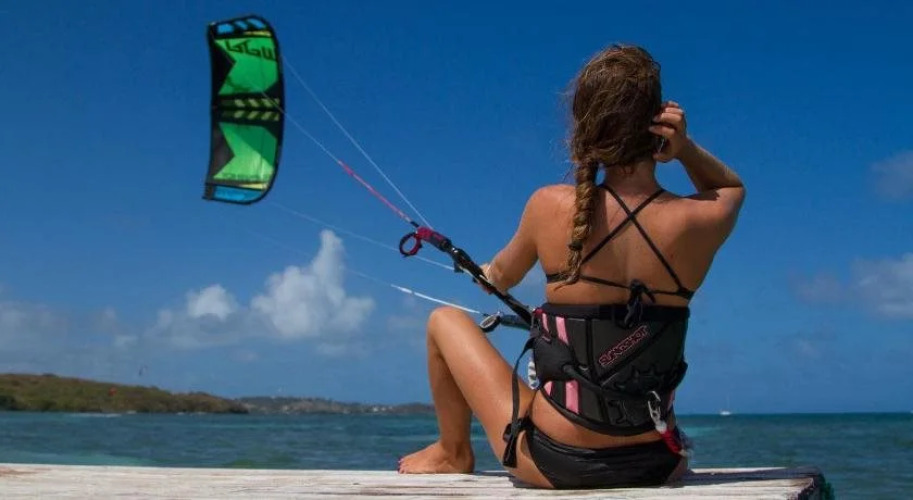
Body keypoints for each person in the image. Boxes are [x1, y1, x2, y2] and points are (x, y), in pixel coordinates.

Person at [398, 44, 745, 489]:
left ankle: (453, 451)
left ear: (584, 128)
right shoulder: (698, 220)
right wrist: (686, 150)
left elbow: (498, 277)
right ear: (658, 123)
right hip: (658, 462)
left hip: (556, 462)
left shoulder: (548, 206)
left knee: (444, 320)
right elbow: (731, 188)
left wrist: (486, 273)